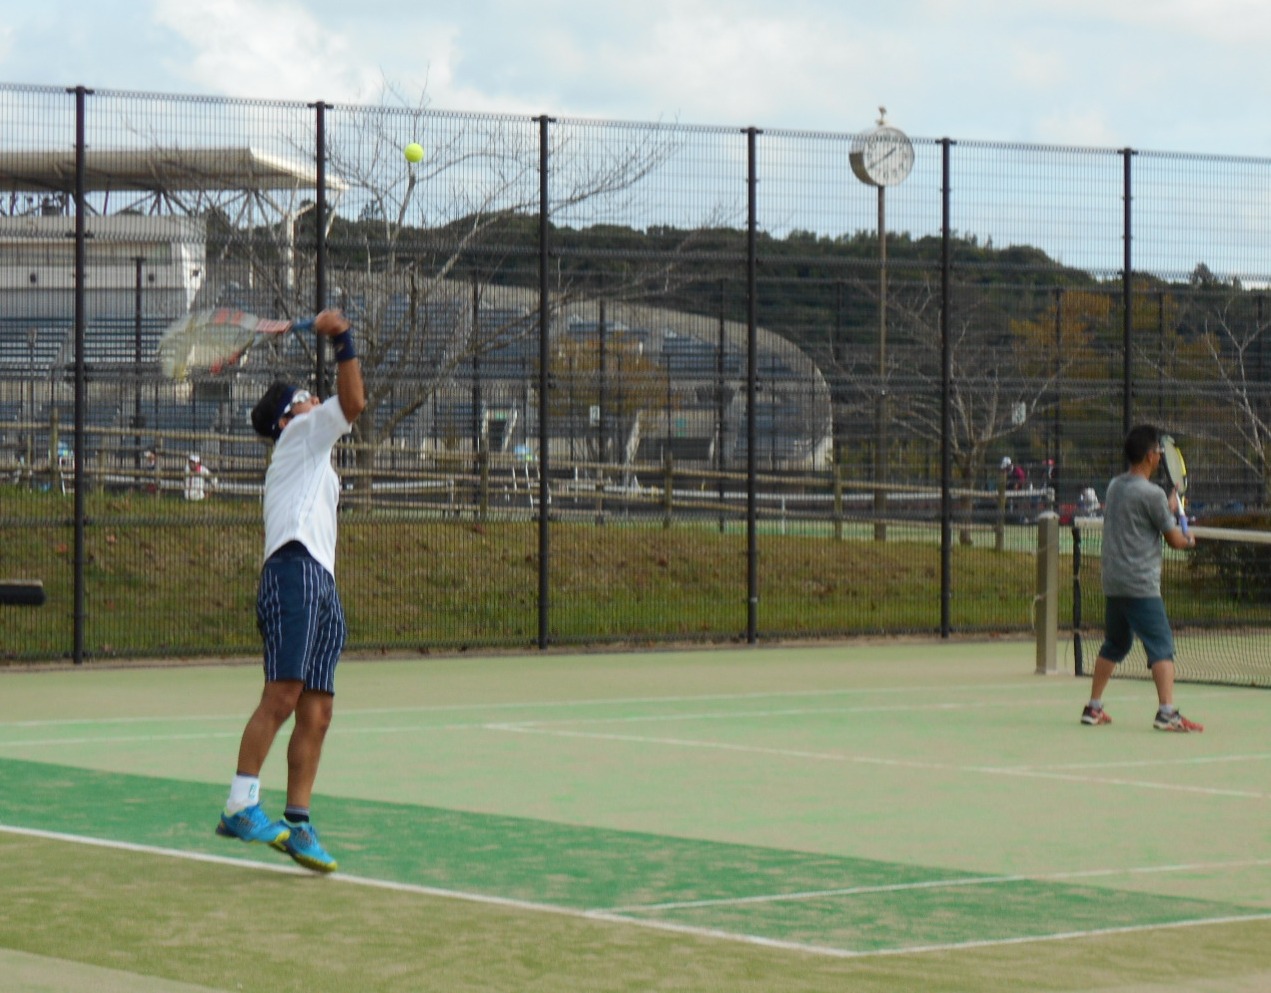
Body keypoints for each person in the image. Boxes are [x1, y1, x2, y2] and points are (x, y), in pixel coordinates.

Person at [215, 309, 365, 872]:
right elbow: (352, 403)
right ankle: (240, 805)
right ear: (286, 418)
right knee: (282, 696)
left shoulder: (314, 458)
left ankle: (298, 823)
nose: (312, 402)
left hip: (321, 579)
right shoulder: (301, 435)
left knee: (317, 710)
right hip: (293, 573)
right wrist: (342, 340)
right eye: (304, 397)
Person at [1081, 424, 1203, 733]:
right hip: (1140, 586)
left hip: (1114, 582)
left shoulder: (1115, 486)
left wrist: (1170, 504)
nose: (1161, 456)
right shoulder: (1151, 495)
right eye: (1159, 452)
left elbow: (1152, 510)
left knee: (1116, 644)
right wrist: (1189, 541)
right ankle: (1167, 712)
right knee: (1162, 647)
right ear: (1150, 456)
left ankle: (1093, 708)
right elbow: (1175, 539)